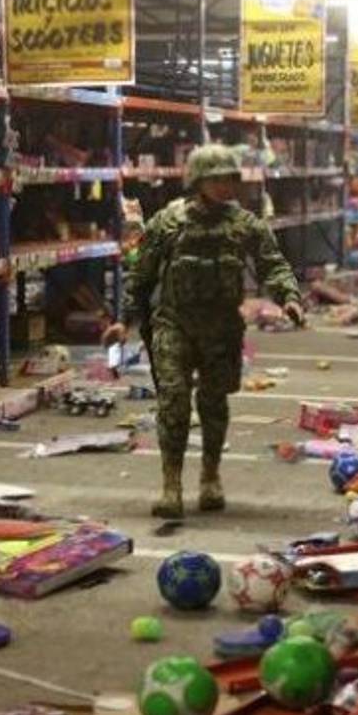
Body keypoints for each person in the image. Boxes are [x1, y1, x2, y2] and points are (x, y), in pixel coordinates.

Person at [103, 144, 304, 518]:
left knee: (213, 404)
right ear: (197, 180)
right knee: (173, 401)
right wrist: (124, 320)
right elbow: (141, 276)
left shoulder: (244, 224)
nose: (226, 185)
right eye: (217, 179)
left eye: (230, 178)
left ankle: (210, 477)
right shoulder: (168, 223)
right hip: (173, 324)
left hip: (221, 329)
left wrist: (289, 298)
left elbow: (273, 265)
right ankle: (171, 485)